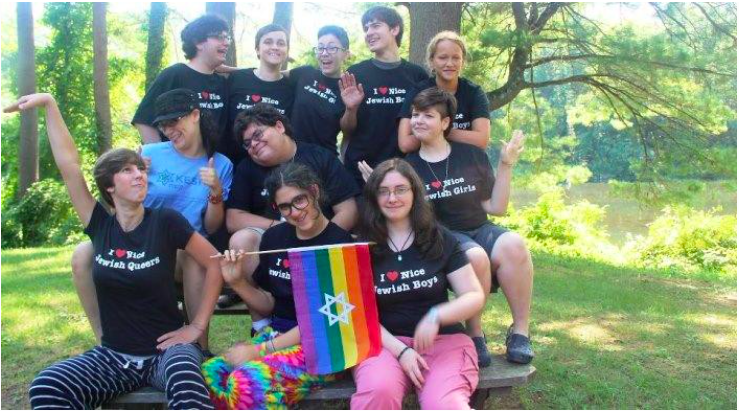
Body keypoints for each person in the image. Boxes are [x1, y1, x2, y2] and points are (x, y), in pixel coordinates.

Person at [6, 93, 221, 410]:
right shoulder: (100, 226)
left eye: (141, 170)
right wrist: (50, 103)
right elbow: (69, 166)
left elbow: (214, 264)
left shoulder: (165, 221)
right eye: (128, 171)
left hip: (167, 354)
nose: (139, 174)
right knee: (47, 386)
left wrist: (197, 326)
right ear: (110, 186)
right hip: (114, 357)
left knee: (187, 379)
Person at [71, 89, 233, 354]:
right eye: (163, 125)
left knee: (194, 256)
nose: (169, 130)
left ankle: (198, 347)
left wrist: (215, 192)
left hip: (183, 247)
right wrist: (133, 167)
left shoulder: (220, 164)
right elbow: (122, 197)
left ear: (195, 115)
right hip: (139, 240)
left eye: (174, 121)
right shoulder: (148, 154)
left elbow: (213, 227)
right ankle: (105, 341)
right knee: (82, 254)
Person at [203, 162, 353, 409]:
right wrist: (238, 282)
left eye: (300, 200)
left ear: (314, 192)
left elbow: (322, 321)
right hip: (278, 334)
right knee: (211, 374)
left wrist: (261, 350)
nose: (294, 212)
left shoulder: (337, 243)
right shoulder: (275, 238)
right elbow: (271, 303)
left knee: (246, 382)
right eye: (284, 206)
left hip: (323, 345)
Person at [402, 87, 535, 367]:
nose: (418, 121)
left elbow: (495, 208)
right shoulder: (408, 167)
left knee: (514, 244)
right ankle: (475, 333)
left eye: (428, 115)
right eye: (415, 115)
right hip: (443, 237)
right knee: (474, 256)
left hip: (479, 227)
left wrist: (505, 164)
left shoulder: (470, 155)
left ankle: (520, 331)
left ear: (446, 123)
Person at [351, 158, 484, 410]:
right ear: (373, 198)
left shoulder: (440, 237)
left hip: (443, 343)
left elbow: (473, 295)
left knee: (445, 404)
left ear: (414, 192)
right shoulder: (361, 247)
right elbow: (358, 313)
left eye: (400, 189)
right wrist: (401, 351)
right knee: (379, 392)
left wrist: (436, 315)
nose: (392, 198)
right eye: (383, 191)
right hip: (384, 344)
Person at [221, 104, 359, 313]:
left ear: (279, 126)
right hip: (272, 244)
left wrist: (319, 237)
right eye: (247, 144)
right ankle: (261, 324)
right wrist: (284, 229)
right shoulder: (247, 168)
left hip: (323, 240)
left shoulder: (319, 156)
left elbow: (349, 209)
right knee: (241, 239)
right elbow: (233, 218)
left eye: (258, 135)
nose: (254, 145)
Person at [339, 5, 429, 186]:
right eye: (366, 28)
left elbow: (424, 124)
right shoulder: (356, 73)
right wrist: (351, 108)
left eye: (375, 25)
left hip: (405, 171)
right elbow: (346, 130)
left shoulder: (417, 75)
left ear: (394, 29)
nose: (369, 32)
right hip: (360, 171)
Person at [132, 14, 237, 161]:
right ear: (198, 42)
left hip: (213, 170)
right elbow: (144, 120)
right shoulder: (175, 74)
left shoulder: (223, 82)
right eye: (219, 37)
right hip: (176, 172)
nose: (226, 43)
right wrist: (161, 158)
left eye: (227, 38)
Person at [398, 31, 490, 153]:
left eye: (456, 58)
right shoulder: (418, 91)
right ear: (431, 61)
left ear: (463, 62)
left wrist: (438, 129)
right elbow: (405, 144)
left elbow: (481, 141)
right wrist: (442, 130)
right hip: (428, 165)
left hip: (465, 164)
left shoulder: (474, 93)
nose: (450, 63)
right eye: (443, 57)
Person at [226, 24, 294, 164]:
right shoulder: (237, 78)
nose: (275, 46)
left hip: (270, 168)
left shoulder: (291, 89)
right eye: (268, 42)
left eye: (281, 43)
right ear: (257, 49)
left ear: (286, 51)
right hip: (232, 163)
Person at [288, 25, 351, 154]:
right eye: (320, 48)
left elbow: (348, 135)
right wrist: (236, 73)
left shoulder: (348, 89)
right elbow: (271, 75)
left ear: (346, 54)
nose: (324, 53)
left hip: (323, 160)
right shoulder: (304, 73)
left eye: (332, 48)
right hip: (292, 154)